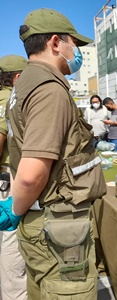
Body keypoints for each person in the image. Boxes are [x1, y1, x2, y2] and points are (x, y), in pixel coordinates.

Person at [0, 8, 107, 298]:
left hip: (43, 222)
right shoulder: (48, 89)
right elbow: (32, 174)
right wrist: (17, 207)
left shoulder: (23, 87)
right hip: (58, 225)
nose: (77, 51)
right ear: (56, 42)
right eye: (74, 43)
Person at [0, 55, 27, 300]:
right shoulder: (9, 99)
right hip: (7, 175)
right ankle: (15, 295)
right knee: (11, 237)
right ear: (17, 77)